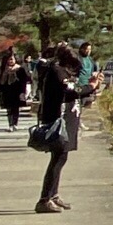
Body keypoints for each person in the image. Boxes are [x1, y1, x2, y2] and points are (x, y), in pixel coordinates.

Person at [34, 42, 96, 214]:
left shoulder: (60, 71)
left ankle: (53, 195)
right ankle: (45, 199)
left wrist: (91, 85)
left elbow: (74, 88)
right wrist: (91, 86)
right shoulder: (56, 71)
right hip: (58, 119)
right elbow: (71, 90)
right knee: (58, 158)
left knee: (61, 158)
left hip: (67, 119)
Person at [0, 50, 31, 130]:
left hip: (17, 91)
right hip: (7, 91)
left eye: (12, 59)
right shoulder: (4, 69)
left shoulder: (20, 69)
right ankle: (10, 124)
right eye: (9, 59)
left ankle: (15, 123)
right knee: (9, 109)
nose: (10, 61)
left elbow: (24, 81)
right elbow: (0, 81)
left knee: (15, 108)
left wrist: (23, 92)